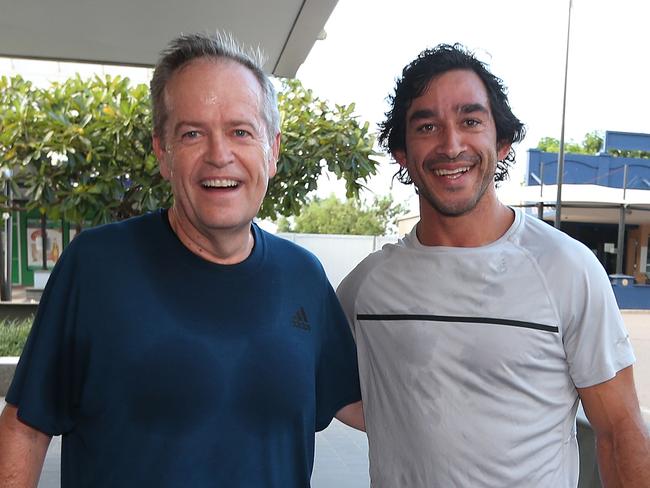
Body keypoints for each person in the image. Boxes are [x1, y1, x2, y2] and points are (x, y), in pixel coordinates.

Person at [0, 32, 363, 487]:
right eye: (192, 133)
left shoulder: (303, 276)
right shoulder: (95, 268)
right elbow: (26, 427)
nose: (219, 155)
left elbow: (357, 403)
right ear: (163, 153)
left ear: (272, 151)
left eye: (240, 131)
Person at [337, 43, 650, 487]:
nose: (451, 145)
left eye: (470, 121)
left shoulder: (566, 269)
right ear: (402, 154)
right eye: (427, 126)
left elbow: (619, 431)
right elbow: (326, 386)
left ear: (501, 143)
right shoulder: (367, 287)